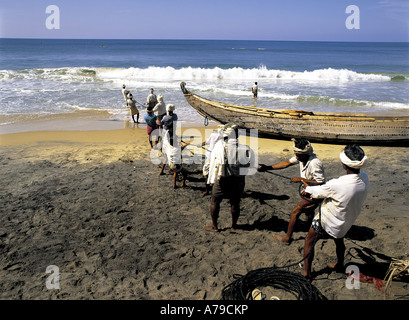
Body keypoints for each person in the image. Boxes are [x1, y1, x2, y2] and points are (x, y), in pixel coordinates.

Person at [301, 144, 369, 281]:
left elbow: (315, 192)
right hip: (345, 222)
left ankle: (307, 274)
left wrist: (306, 188)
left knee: (309, 240)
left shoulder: (337, 184)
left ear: (344, 164)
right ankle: (339, 265)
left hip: (328, 221)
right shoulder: (365, 178)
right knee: (339, 241)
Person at [258, 138, 326, 244]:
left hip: (314, 193)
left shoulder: (315, 163)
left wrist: (301, 179)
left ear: (305, 153)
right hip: (308, 190)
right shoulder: (302, 157)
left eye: (298, 155)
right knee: (309, 211)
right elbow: (286, 163)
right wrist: (267, 167)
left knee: (294, 213)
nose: (296, 157)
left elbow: (320, 182)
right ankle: (309, 227)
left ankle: (287, 238)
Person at [205, 123, 255, 232]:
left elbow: (212, 163)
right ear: (237, 135)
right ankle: (234, 225)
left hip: (222, 179)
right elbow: (251, 165)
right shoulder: (246, 149)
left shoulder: (219, 147)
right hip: (238, 180)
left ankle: (215, 226)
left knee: (215, 201)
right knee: (235, 203)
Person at [198, 126, 224, 197]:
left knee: (206, 174)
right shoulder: (222, 137)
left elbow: (206, 141)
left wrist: (200, 144)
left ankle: (207, 190)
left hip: (212, 158)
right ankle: (211, 190)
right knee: (218, 174)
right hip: (215, 158)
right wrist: (201, 144)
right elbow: (207, 141)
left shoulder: (214, 135)